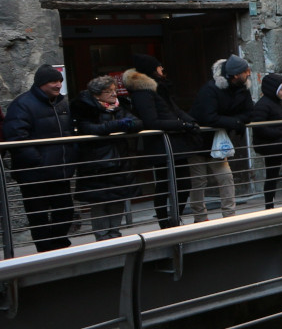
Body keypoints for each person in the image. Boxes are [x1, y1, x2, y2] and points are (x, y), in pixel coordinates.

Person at [3, 65, 78, 251]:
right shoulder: (22, 104)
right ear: (41, 84)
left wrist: (70, 156)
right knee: (38, 214)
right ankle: (45, 250)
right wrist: (39, 161)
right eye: (53, 81)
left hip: (59, 169)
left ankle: (58, 243)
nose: (58, 85)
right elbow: (16, 136)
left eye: (60, 80)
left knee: (65, 210)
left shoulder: (61, 103)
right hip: (34, 172)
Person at [124, 55, 201, 227]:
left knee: (184, 184)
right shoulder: (143, 92)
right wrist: (181, 124)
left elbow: (174, 109)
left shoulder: (159, 89)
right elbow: (151, 121)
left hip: (176, 143)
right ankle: (165, 222)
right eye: (159, 67)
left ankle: (175, 218)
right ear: (153, 70)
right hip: (162, 145)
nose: (162, 70)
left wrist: (190, 121)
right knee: (165, 185)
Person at [70, 75, 143, 240]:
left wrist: (124, 124)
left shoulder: (119, 106)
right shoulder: (84, 107)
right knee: (99, 201)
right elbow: (88, 128)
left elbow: (137, 122)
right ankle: (102, 236)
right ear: (97, 94)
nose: (113, 94)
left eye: (114, 90)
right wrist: (118, 125)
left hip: (119, 161)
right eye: (108, 91)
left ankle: (115, 233)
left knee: (118, 198)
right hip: (97, 163)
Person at [189, 56, 253, 220]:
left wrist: (233, 121)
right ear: (235, 75)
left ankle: (229, 215)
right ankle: (200, 217)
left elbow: (248, 113)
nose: (249, 74)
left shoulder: (242, 89)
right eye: (246, 71)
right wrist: (235, 121)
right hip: (198, 141)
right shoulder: (210, 90)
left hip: (218, 142)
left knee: (226, 177)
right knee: (199, 180)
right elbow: (209, 117)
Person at [250, 73, 282, 209]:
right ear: (274, 89)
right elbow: (259, 127)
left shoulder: (278, 103)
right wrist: (280, 133)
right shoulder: (263, 104)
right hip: (268, 143)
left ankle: (269, 205)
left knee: (272, 174)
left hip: (276, 141)